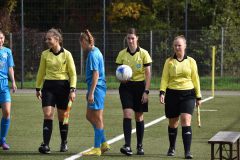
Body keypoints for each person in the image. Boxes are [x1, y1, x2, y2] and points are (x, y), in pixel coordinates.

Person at [159, 35, 202, 159]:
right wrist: (162, 92)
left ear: (185, 46)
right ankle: (172, 147)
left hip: (188, 94)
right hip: (172, 94)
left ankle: (187, 151)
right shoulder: (169, 61)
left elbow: (196, 79)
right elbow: (164, 78)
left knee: (185, 120)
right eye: (175, 45)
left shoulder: (191, 61)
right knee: (173, 123)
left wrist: (198, 96)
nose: (177, 47)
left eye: (179, 45)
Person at [35, 28, 77, 154]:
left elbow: (73, 74)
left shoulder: (67, 54)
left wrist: (72, 89)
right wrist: (38, 88)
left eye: (49, 39)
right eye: (46, 39)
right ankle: (46, 145)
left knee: (62, 117)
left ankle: (64, 142)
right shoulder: (45, 54)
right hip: (48, 87)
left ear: (57, 39)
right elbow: (41, 72)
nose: (47, 41)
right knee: (48, 114)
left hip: (63, 87)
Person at [115, 28, 152, 156]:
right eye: (128, 38)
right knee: (127, 114)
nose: (130, 41)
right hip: (126, 88)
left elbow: (148, 74)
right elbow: (118, 72)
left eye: (132, 38)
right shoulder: (122, 54)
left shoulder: (144, 54)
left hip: (140, 87)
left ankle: (139, 146)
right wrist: (121, 78)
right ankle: (127, 145)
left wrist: (146, 91)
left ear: (137, 38)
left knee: (139, 116)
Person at [79, 29, 110, 156]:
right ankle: (104, 143)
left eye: (80, 43)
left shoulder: (92, 54)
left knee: (97, 118)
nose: (80, 46)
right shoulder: (96, 50)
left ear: (84, 41)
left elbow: (96, 75)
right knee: (89, 116)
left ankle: (97, 148)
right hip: (97, 88)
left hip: (96, 89)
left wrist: (91, 93)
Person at [0, 30, 17, 150]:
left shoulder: (7, 51)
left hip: (4, 85)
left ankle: (2, 140)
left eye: (1, 38)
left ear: (4, 39)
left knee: (6, 112)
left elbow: (10, 68)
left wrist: (14, 82)